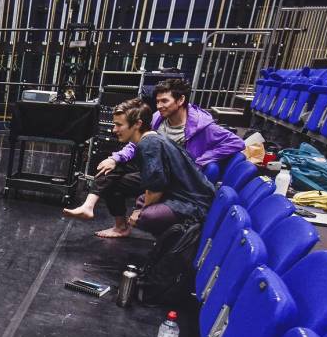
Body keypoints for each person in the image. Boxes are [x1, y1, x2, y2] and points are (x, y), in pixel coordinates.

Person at [64, 79, 243, 236]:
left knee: (146, 214)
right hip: (159, 172)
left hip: (179, 185)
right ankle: (100, 213)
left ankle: (170, 239)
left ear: (180, 100)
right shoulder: (155, 121)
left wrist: (200, 160)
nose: (159, 106)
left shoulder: (200, 126)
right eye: (157, 101)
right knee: (111, 170)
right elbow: (136, 144)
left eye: (164, 101)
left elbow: (236, 143)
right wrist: (116, 158)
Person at [83, 101, 214, 237]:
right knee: (113, 183)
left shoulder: (149, 144)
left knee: (145, 216)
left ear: (137, 124)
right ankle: (120, 227)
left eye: (119, 125)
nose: (114, 130)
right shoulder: (151, 138)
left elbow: (156, 188)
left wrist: (140, 210)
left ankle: (176, 238)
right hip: (175, 192)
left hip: (191, 203)